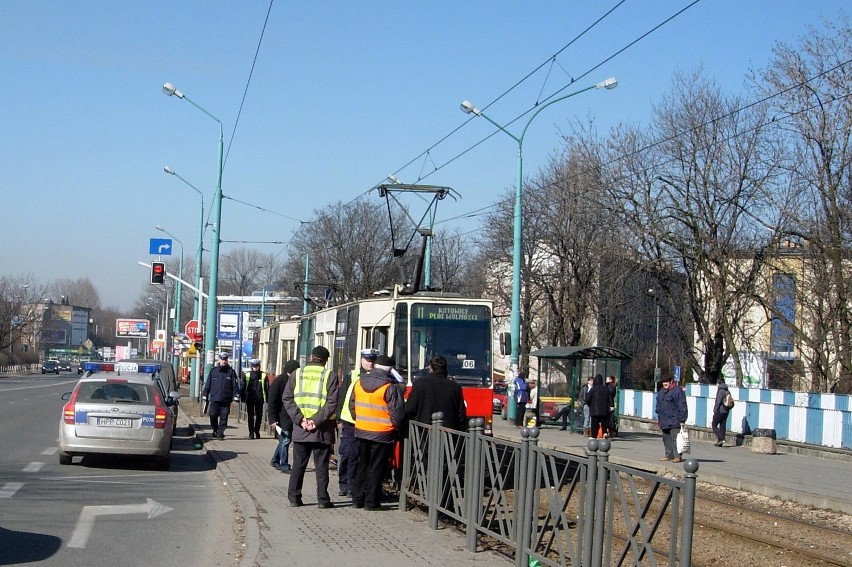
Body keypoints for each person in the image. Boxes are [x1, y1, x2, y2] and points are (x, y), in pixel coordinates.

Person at [283, 345, 339, 509]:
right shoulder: (330, 375)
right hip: (321, 429)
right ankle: (322, 500)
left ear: (311, 357)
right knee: (321, 466)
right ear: (326, 360)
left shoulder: (297, 374)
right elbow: (332, 402)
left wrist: (301, 420)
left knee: (298, 464)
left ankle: (294, 498)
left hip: (301, 429)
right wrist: (316, 421)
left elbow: (287, 398)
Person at [351, 354, 405, 511]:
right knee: (376, 467)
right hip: (383, 433)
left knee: (363, 464)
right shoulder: (390, 387)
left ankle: (357, 498)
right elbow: (397, 413)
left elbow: (352, 405)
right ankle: (371, 502)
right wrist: (396, 427)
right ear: (390, 370)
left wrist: (360, 420)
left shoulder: (359, 382)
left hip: (362, 430)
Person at [337, 348, 377, 496]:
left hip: (366, 421)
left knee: (360, 456)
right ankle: (344, 484)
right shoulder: (352, 375)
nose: (370, 364)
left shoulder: (377, 376)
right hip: (350, 421)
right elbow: (342, 396)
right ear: (361, 360)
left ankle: (354, 486)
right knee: (348, 454)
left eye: (373, 361)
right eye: (368, 360)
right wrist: (339, 418)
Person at [404, 355, 467, 431]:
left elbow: (409, 409)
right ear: (445, 369)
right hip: (448, 437)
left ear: (430, 368)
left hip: (423, 434)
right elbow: (461, 416)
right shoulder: (455, 387)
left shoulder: (420, 384)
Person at [268, 360, 299, 472]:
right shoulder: (279, 382)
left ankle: (275, 460)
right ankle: (284, 464)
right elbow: (272, 402)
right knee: (285, 440)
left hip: (292, 417)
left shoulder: (296, 381)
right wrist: (272, 420)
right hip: (282, 418)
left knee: (284, 440)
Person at [202, 353, 241, 440]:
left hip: (226, 399)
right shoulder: (213, 371)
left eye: (225, 360)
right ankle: (215, 429)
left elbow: (234, 385)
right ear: (219, 360)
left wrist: (236, 395)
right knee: (212, 415)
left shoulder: (231, 372)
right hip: (215, 398)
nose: (224, 361)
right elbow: (208, 384)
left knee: (224, 417)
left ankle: (220, 433)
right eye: (222, 360)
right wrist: (205, 394)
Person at [656, 375, 688, 463]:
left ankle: (678, 456)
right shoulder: (661, 391)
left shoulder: (677, 391)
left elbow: (682, 405)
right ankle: (668, 455)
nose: (664, 384)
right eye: (663, 382)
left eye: (666, 382)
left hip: (675, 420)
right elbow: (658, 404)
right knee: (666, 439)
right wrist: (658, 412)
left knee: (675, 439)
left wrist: (682, 419)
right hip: (664, 419)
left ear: (671, 381)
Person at [242, 359, 269, 439]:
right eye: (254, 366)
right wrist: (243, 396)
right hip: (250, 398)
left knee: (259, 416)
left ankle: (256, 430)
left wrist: (267, 398)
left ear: (259, 366)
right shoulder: (247, 375)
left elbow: (267, 387)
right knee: (250, 416)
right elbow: (243, 386)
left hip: (260, 398)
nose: (255, 368)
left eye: (256, 366)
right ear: (251, 367)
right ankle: (251, 432)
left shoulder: (263, 375)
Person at [585, 374, 611, 438]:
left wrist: (590, 405)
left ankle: (594, 436)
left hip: (594, 410)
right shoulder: (606, 389)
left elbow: (587, 399)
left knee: (594, 424)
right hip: (604, 410)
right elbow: (609, 399)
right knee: (603, 422)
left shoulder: (593, 389)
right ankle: (604, 433)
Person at [712, 379, 732, 447]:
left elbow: (718, 401)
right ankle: (720, 442)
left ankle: (721, 438)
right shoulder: (727, 390)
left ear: (718, 383)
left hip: (720, 411)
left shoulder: (720, 390)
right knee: (722, 426)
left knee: (714, 425)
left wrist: (715, 410)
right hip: (726, 410)